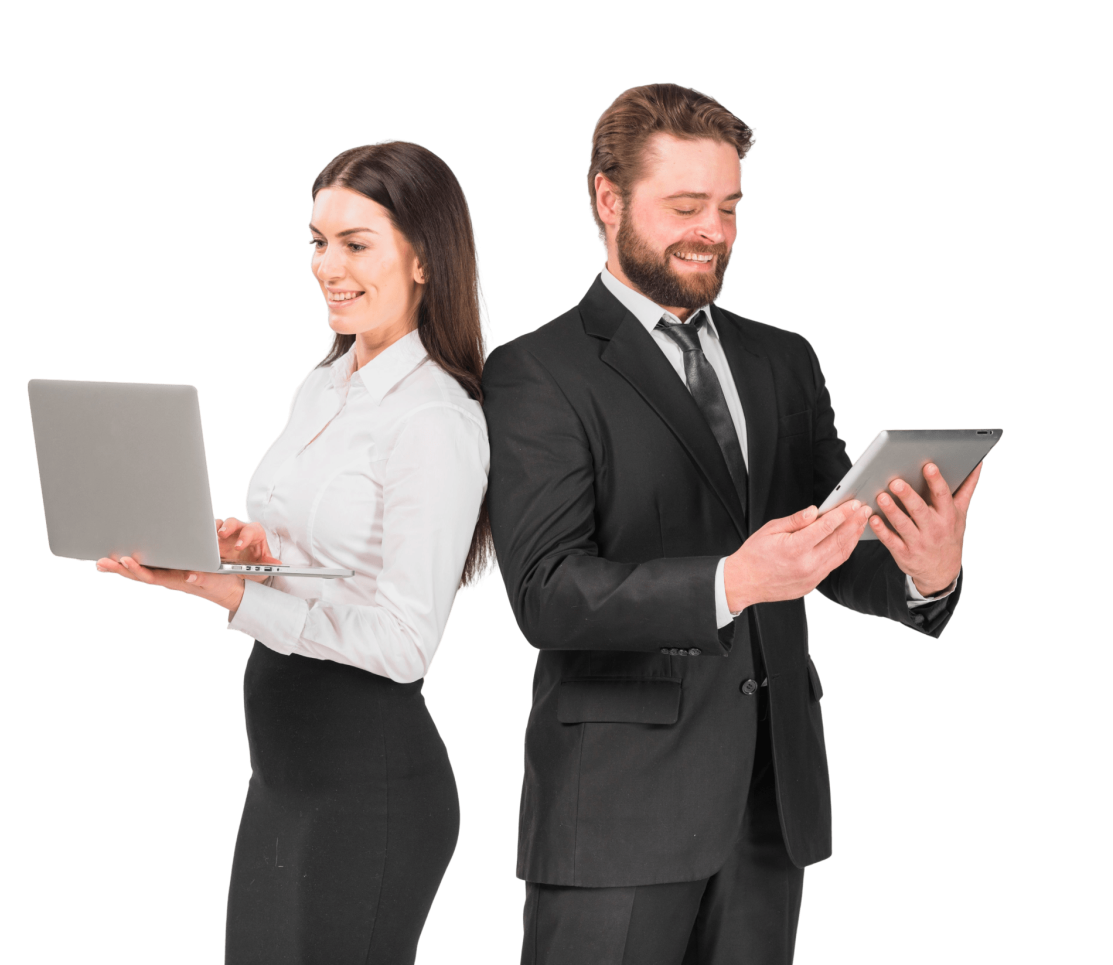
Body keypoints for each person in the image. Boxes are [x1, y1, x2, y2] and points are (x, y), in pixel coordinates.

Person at [480, 83, 983, 964]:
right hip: (618, 819)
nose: (713, 230)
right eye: (684, 206)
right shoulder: (537, 370)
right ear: (606, 199)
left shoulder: (785, 359)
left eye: (729, 206)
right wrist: (732, 581)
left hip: (768, 807)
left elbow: (829, 543)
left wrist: (923, 569)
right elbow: (546, 593)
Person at [95, 138, 496, 963]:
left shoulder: (437, 420)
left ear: (424, 259)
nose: (326, 265)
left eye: (356, 244)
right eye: (317, 242)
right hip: (284, 780)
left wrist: (237, 596)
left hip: (369, 787)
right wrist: (252, 551)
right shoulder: (326, 381)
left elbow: (405, 639)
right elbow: (331, 558)